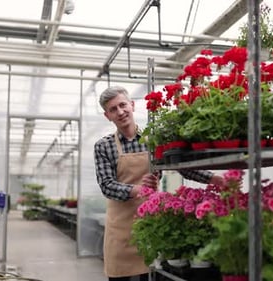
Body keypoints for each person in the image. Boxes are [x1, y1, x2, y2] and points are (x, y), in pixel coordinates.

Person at [94, 86, 225, 281]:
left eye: (123, 105)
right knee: (119, 276)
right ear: (107, 116)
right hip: (120, 227)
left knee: (153, 274)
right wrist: (138, 189)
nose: (120, 112)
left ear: (132, 105)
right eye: (113, 109)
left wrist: (212, 178)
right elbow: (106, 185)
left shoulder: (153, 139)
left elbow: (181, 165)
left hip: (151, 224)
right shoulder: (104, 146)